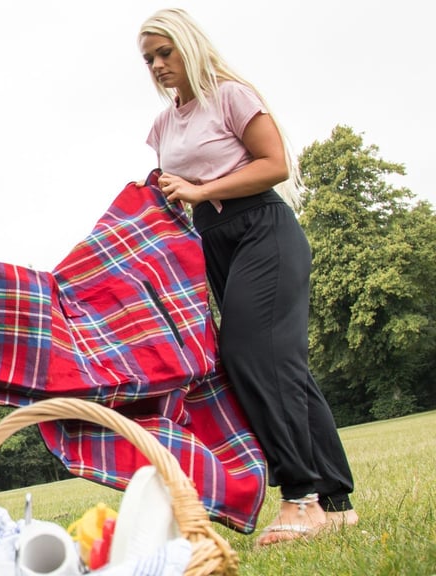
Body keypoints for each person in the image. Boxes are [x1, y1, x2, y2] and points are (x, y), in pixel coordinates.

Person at [137, 8, 359, 546]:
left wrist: (198, 189)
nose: (158, 66)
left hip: (263, 229)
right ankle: (336, 502)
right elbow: (169, 192)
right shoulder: (163, 125)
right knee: (281, 364)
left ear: (188, 47)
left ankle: (300, 498)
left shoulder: (231, 95)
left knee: (250, 355)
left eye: (165, 52)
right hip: (214, 243)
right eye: (149, 59)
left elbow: (275, 163)